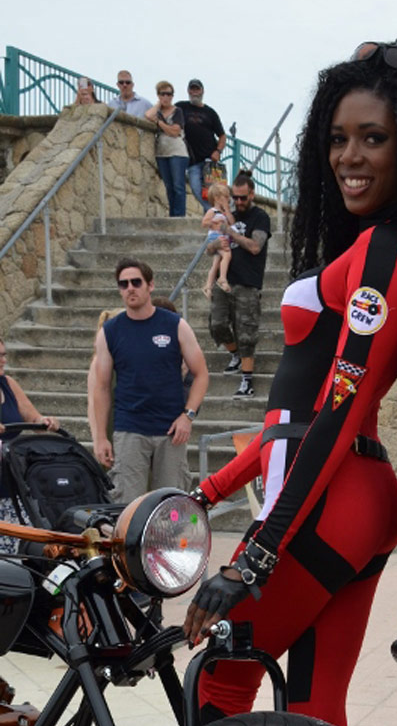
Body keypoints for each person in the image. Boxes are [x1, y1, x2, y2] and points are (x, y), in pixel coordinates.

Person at [182, 41, 397, 726]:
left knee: (218, 681)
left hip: (331, 493)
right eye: (338, 138)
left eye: (374, 138)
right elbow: (295, 422)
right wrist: (215, 491)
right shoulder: (385, 244)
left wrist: (256, 553)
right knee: (314, 707)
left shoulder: (385, 251)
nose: (349, 156)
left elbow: (337, 412)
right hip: (352, 496)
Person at [89, 258, 208, 502]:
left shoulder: (175, 325)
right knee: (126, 505)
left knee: (171, 505)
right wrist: (100, 437)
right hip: (129, 429)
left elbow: (201, 374)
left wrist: (188, 416)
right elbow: (101, 388)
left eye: (136, 282)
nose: (130, 288)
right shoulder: (110, 332)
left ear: (150, 285)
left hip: (171, 430)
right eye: (123, 284)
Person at [208, 171, 271, 397]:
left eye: (243, 197)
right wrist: (215, 244)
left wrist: (230, 233)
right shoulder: (227, 216)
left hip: (248, 282)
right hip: (224, 281)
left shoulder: (260, 217)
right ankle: (234, 354)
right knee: (216, 325)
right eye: (235, 197)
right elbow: (209, 249)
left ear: (252, 194)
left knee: (246, 333)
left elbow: (255, 247)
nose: (238, 201)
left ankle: (247, 381)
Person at [0, 339, 60, 551]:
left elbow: (32, 417)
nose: (3, 360)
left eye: (4, 355)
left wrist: (45, 422)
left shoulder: (8, 383)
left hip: (12, 476)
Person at [176, 80, 226, 210]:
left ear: (202, 91)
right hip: (193, 161)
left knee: (212, 194)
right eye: (192, 89)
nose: (194, 92)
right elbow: (166, 112)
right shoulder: (181, 107)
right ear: (188, 91)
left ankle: (214, 214)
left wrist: (218, 151)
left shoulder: (210, 113)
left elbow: (222, 136)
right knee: (196, 189)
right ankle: (215, 212)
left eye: (197, 89)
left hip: (210, 162)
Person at [144, 82, 189, 218]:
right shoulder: (157, 112)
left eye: (169, 94)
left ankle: (179, 216)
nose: (166, 97)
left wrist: (160, 123)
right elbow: (148, 115)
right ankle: (172, 216)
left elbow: (175, 132)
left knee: (178, 186)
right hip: (162, 153)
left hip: (177, 152)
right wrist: (159, 104)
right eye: (163, 94)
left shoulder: (177, 111)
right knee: (169, 187)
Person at [201, 182, 232, 298]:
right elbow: (204, 223)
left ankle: (208, 286)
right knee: (227, 254)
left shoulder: (223, 213)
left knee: (216, 263)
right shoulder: (213, 211)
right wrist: (213, 221)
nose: (228, 199)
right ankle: (222, 278)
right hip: (215, 237)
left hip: (221, 236)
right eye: (226, 197)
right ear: (217, 198)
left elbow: (231, 223)